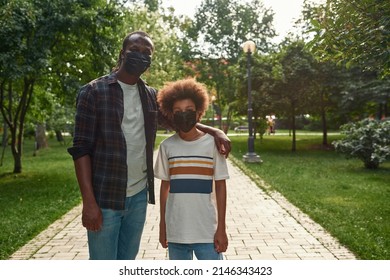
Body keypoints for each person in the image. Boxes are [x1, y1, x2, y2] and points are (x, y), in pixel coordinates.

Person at [67, 31, 231, 260]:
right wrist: (89, 203)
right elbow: (80, 149)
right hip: (105, 198)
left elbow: (181, 121)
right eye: (135, 50)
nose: (141, 56)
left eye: (147, 53)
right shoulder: (93, 92)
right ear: (122, 53)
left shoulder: (150, 97)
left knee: (127, 263)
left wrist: (215, 130)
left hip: (137, 199)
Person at [154, 78, 229, 260]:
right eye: (178, 111)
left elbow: (220, 186)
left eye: (189, 111)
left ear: (199, 112)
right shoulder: (167, 147)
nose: (184, 115)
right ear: (171, 114)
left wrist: (221, 228)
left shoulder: (212, 144)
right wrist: (163, 226)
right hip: (176, 231)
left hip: (207, 232)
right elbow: (165, 187)